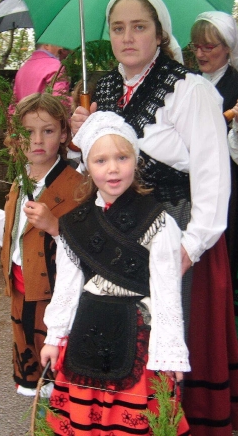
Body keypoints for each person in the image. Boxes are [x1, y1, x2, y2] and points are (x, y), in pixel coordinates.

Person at [70, 0, 238, 434]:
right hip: (115, 233)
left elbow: (212, 180)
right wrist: (83, 138)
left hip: (174, 233)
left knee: (167, 340)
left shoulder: (192, 91)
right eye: (117, 28)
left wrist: (191, 248)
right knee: (121, 337)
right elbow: (98, 171)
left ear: (159, 32)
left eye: (139, 26)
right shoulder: (103, 89)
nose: (127, 37)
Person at [40, 111, 191, 435]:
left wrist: (170, 354)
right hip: (87, 329)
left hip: (137, 334)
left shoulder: (160, 223)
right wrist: (54, 337)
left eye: (121, 157)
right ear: (88, 167)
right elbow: (68, 284)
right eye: (101, 160)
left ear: (135, 161)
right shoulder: (76, 222)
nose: (112, 168)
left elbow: (166, 293)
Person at [0, 93, 83, 397]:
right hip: (20, 287)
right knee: (29, 354)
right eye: (27, 132)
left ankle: (59, 417)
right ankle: (40, 411)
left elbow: (87, 246)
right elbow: (13, 234)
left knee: (56, 360)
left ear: (64, 134)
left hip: (56, 293)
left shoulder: (77, 184)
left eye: (48, 131)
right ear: (15, 139)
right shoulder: (21, 179)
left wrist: (55, 227)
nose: (37, 140)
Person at [190, 11, 238, 348]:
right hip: (189, 182)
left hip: (226, 187)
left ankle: (228, 345)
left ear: (227, 47)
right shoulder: (188, 81)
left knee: (224, 258)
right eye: (197, 47)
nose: (202, 54)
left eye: (210, 46)